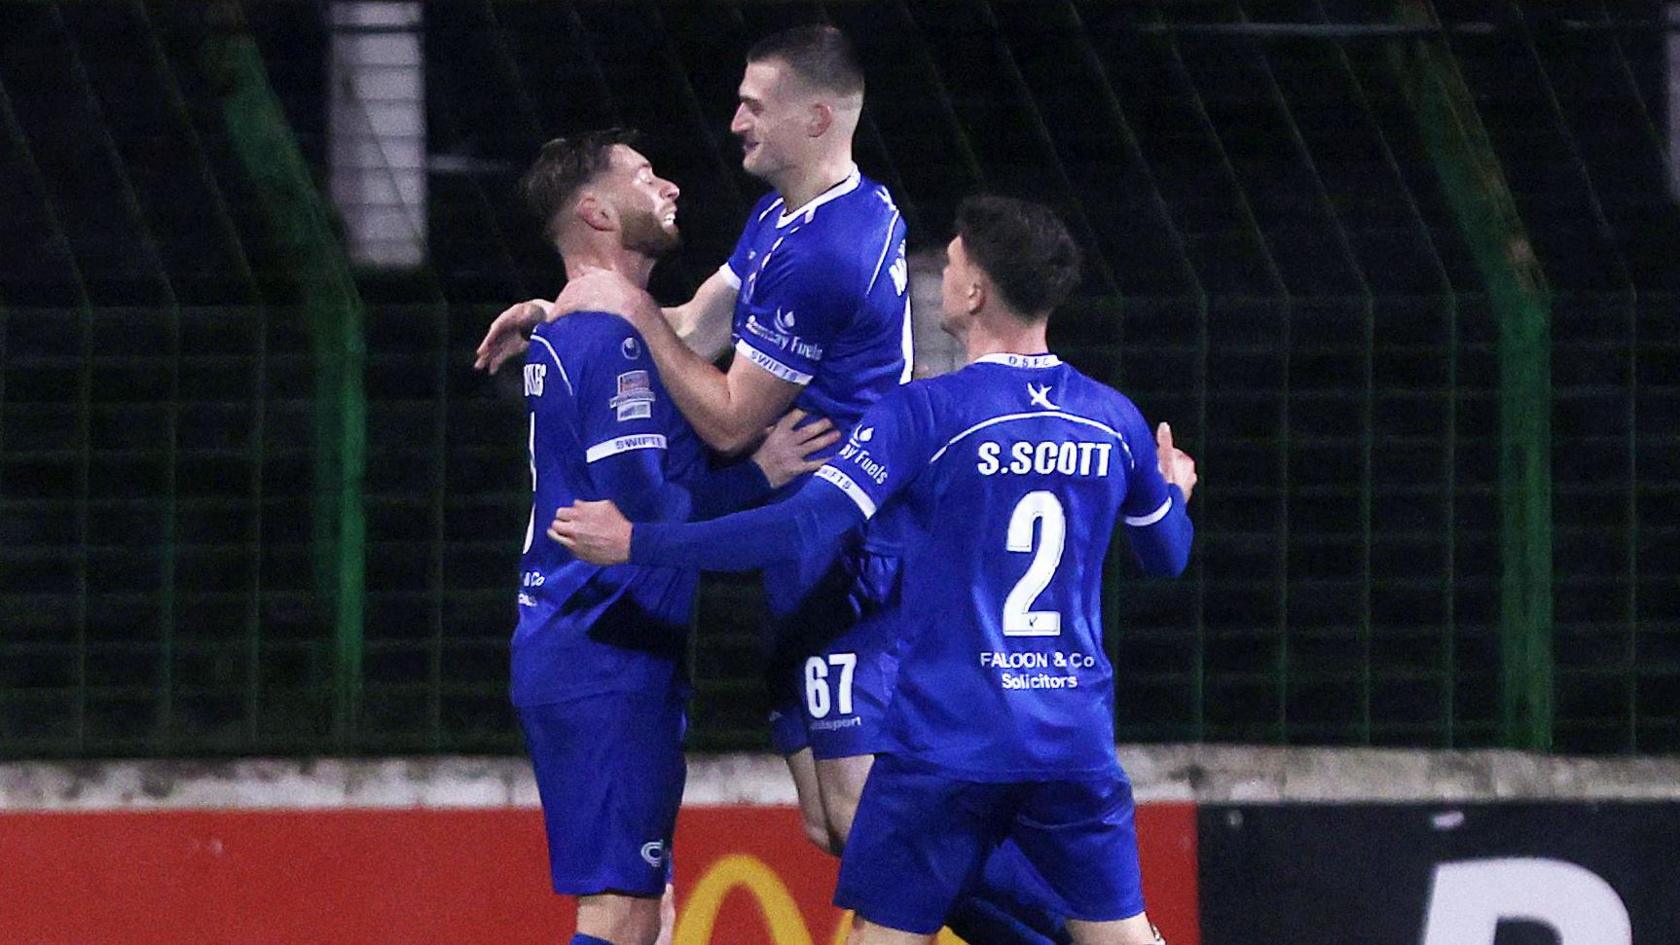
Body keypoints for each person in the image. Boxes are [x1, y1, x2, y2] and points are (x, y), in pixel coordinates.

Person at [485, 27, 1076, 945]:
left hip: (848, 546)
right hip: (796, 553)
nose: (734, 124)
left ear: (816, 115)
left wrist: (624, 303)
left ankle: (1094, 922)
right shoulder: (785, 223)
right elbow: (692, 328)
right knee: (834, 824)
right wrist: (568, 307)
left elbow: (725, 412)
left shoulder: (829, 250)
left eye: (754, 107)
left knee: (875, 819)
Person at [551, 195, 1199, 945]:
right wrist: (1174, 492)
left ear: (976, 291)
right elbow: (1168, 555)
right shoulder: (1112, 417)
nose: (939, 273)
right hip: (1073, 741)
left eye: (951, 262)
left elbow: (798, 525)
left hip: (948, 746)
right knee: (1118, 936)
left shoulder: (926, 413)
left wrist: (640, 541)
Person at [509, 128, 835, 945]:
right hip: (603, 654)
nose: (670, 185)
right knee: (620, 909)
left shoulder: (592, 330)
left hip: (597, 649)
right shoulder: (612, 341)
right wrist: (756, 479)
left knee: (647, 910)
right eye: (644, 174)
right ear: (595, 210)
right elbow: (641, 520)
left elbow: (687, 328)